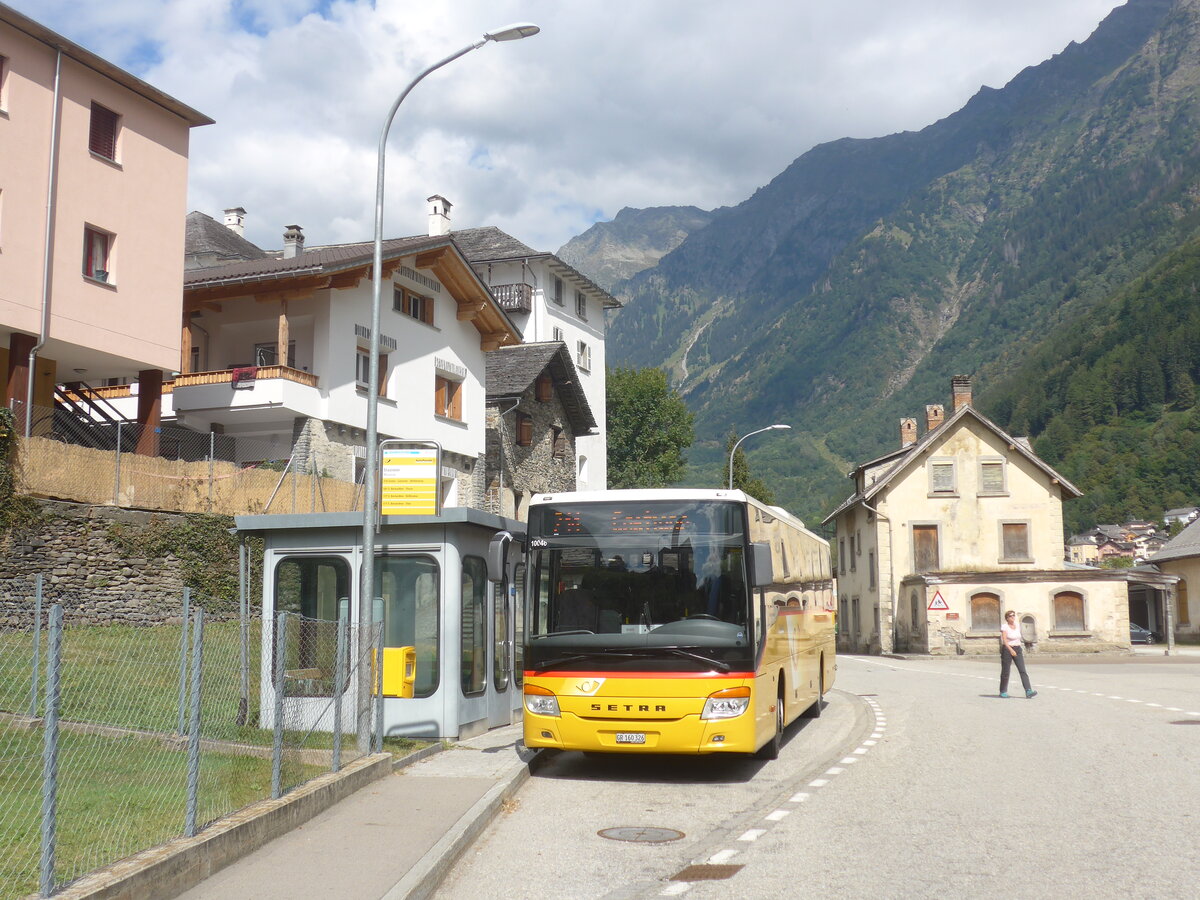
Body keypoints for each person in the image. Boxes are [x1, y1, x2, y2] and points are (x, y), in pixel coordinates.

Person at [999, 610, 1037, 699]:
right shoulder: (1005, 627)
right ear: (1007, 618)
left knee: (1022, 670)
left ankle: (1028, 691)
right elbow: (1004, 640)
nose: (1013, 617)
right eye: (1010, 616)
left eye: (1013, 615)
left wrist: (1017, 648)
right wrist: (1010, 650)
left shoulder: (1017, 626)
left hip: (1017, 649)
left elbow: (1018, 638)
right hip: (1007, 649)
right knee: (1006, 671)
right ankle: (1003, 691)